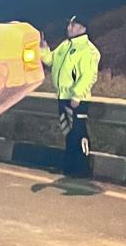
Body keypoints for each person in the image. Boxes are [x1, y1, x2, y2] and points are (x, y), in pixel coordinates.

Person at [39, 15, 101, 179]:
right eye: (69, 25)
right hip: (63, 96)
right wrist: (44, 49)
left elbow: (89, 76)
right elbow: (50, 60)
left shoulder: (88, 50)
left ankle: (83, 168)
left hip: (77, 100)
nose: (69, 28)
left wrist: (77, 95)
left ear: (83, 28)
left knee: (79, 133)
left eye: (73, 25)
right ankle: (70, 167)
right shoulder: (65, 45)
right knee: (69, 132)